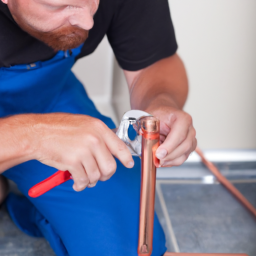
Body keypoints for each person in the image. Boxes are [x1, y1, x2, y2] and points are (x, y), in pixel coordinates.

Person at [0, 0, 197, 255]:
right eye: (62, 6)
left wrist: (160, 102)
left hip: (48, 98)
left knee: (126, 248)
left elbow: (154, 63)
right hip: (44, 126)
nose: (88, 22)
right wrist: (36, 136)